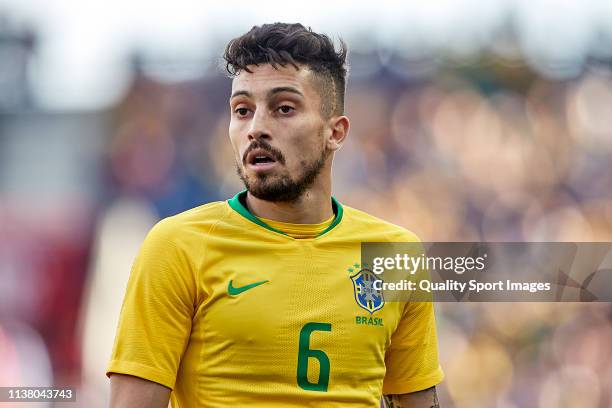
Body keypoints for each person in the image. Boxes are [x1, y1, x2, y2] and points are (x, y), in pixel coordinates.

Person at [107, 22, 444, 408]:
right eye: (242, 110)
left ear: (335, 132)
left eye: (283, 108)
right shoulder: (178, 246)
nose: (256, 128)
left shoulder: (394, 255)